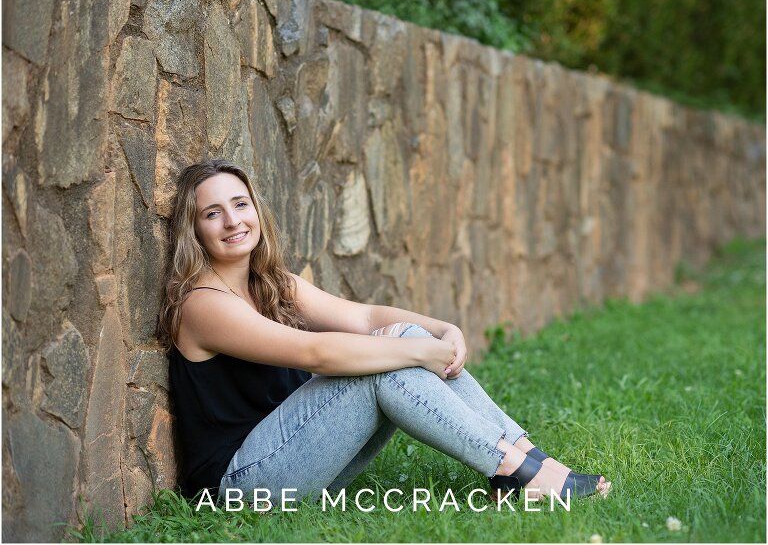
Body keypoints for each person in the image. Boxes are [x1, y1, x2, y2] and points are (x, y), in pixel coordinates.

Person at [157, 159, 611, 507]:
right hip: (238, 487)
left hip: (298, 462)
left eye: (240, 205)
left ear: (256, 210)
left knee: (398, 336)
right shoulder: (203, 304)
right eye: (212, 213)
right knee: (390, 362)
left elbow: (365, 317)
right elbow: (315, 353)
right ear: (194, 231)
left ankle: (533, 461)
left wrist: (438, 330)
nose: (233, 221)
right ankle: (516, 473)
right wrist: (415, 351)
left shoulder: (271, 283)